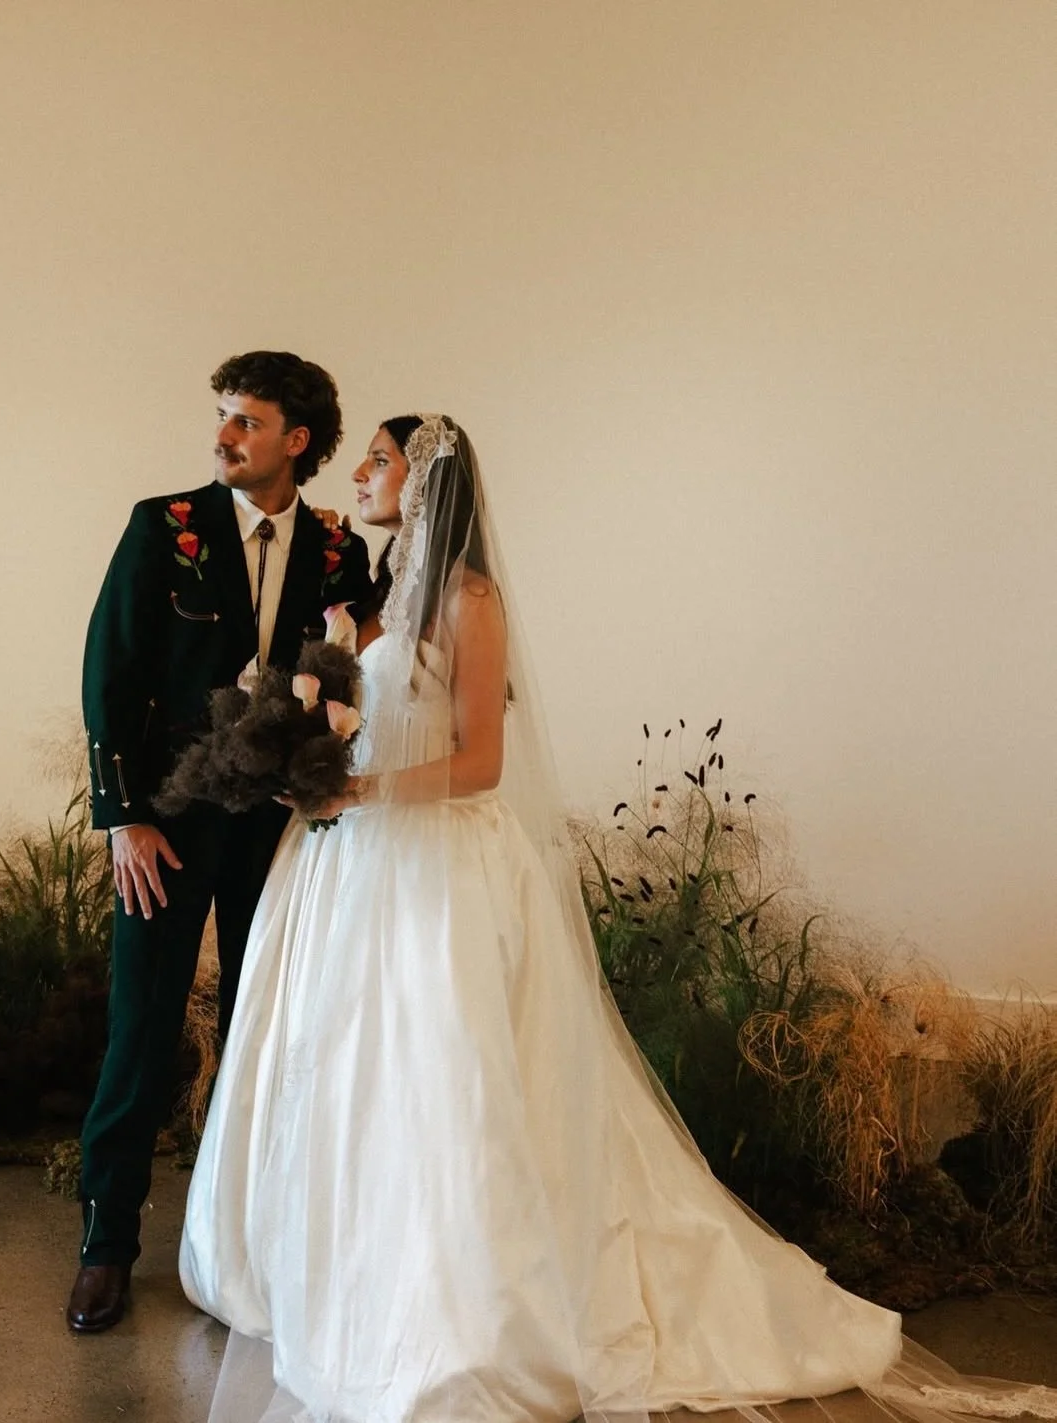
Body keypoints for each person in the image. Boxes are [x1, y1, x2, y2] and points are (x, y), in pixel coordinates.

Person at [178, 415, 1057, 1423]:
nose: (363, 475)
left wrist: (361, 788)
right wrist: (304, 754)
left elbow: (480, 763)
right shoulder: (376, 599)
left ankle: (466, 1307)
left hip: (441, 870)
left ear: (424, 482)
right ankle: (342, 1268)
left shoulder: (469, 600)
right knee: (356, 1065)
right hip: (359, 865)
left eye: (380, 459)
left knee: (450, 1071)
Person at [66, 351, 371, 1335]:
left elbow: (360, 676)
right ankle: (106, 1244)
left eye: (247, 420)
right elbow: (109, 672)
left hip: (282, 834)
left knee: (264, 1030)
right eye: (223, 416)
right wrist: (124, 818)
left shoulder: (337, 548)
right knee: (143, 1028)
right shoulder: (164, 527)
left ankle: (241, 1241)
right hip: (166, 823)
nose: (225, 435)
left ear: (297, 440)